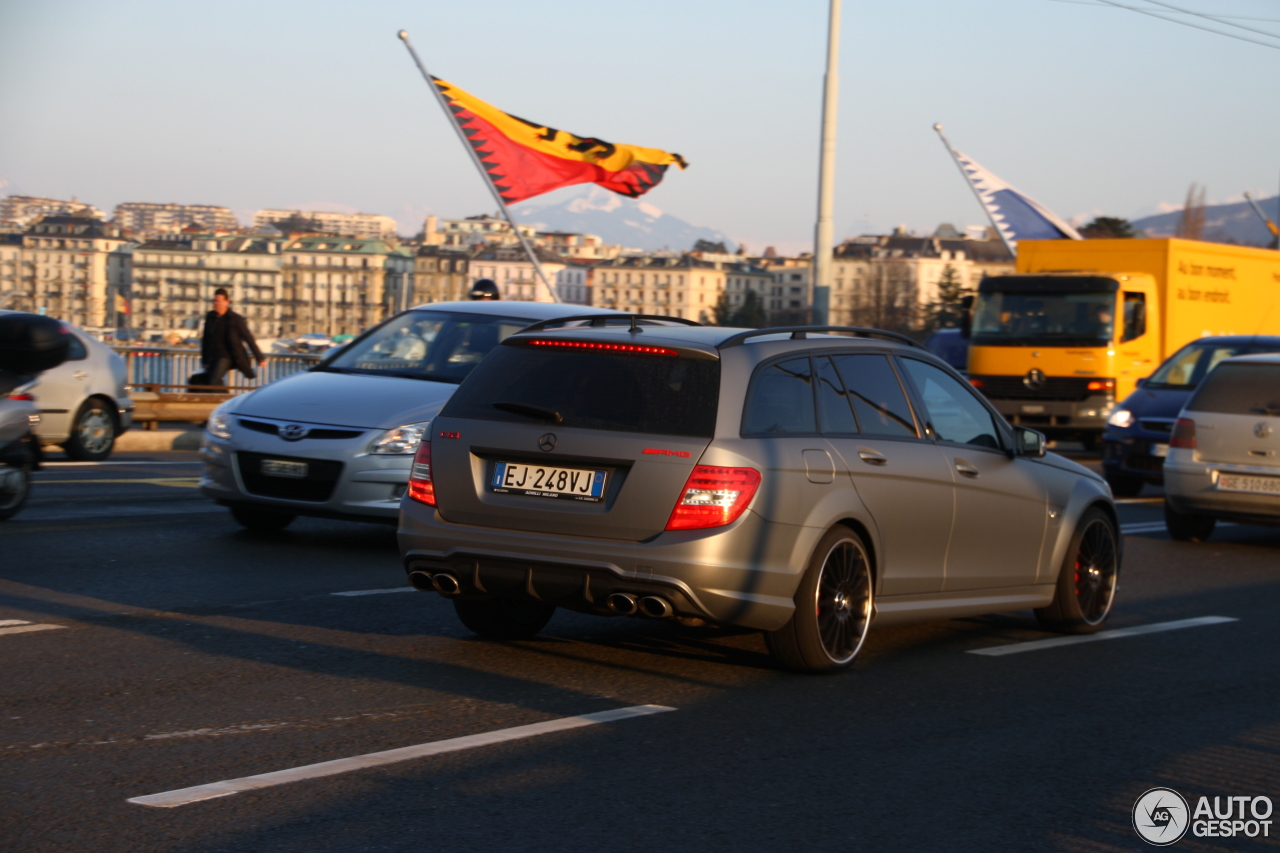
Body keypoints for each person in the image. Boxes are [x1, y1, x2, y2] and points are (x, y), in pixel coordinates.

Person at [201, 288, 265, 386]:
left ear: (227, 302)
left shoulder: (235, 319)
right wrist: (204, 360)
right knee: (209, 380)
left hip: (228, 356)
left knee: (214, 380)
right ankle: (225, 398)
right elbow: (205, 340)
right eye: (214, 301)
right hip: (213, 356)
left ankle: (225, 399)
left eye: (218, 301)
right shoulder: (210, 317)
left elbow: (248, 338)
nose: (216, 303)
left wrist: (259, 358)